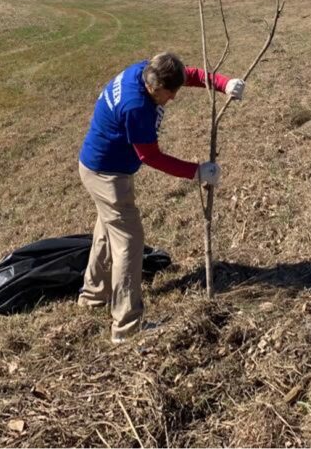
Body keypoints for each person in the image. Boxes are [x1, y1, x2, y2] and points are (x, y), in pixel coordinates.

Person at [77, 52, 246, 343]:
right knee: (129, 242)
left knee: (108, 231)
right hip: (107, 175)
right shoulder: (137, 107)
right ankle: (126, 326)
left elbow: (188, 74)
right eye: (170, 94)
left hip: (99, 166)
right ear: (154, 88)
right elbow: (151, 156)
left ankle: (93, 296)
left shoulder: (145, 70)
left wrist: (224, 83)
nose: (173, 98)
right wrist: (197, 171)